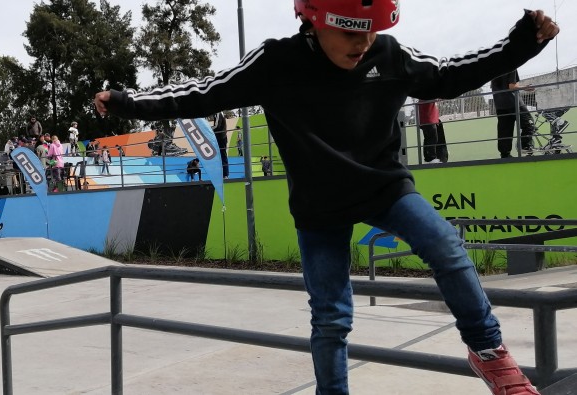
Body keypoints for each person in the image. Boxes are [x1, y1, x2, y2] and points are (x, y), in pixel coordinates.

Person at [93, 2, 558, 394]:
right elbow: (202, 94)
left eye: (372, 32)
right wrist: (127, 102)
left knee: (447, 248)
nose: (362, 45)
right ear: (313, 21)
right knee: (331, 318)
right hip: (319, 206)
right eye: (350, 33)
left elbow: (450, 75)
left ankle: (488, 352)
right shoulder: (275, 63)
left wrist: (522, 43)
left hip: (383, 187)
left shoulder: (389, 54)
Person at [492, 70, 536, 158]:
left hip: (500, 105)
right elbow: (512, 86)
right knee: (529, 124)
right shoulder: (511, 66)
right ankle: (525, 146)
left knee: (504, 131)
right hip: (514, 102)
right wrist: (525, 87)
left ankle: (505, 155)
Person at [212, 112, 230, 178]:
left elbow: (217, 126)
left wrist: (208, 128)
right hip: (222, 137)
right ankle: (224, 174)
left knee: (222, 155)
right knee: (222, 156)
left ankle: (225, 174)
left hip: (221, 138)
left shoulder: (218, 113)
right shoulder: (220, 113)